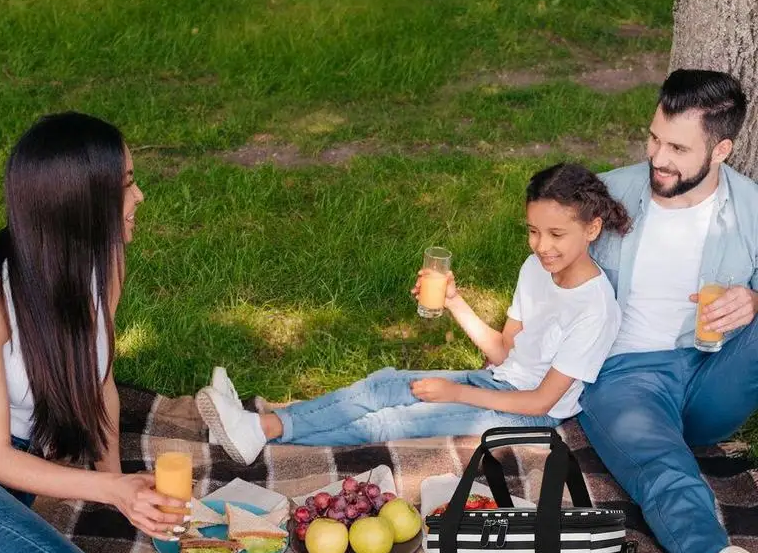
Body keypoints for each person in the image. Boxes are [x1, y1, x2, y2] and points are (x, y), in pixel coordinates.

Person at [0, 113, 190, 553]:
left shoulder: (100, 260)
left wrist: (119, 487)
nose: (139, 195)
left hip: (3, 480)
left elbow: (98, 381)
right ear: (79, 202)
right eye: (126, 184)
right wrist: (110, 489)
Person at [196, 162, 629, 466]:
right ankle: (257, 427)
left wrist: (455, 392)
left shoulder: (595, 308)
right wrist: (455, 301)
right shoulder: (535, 267)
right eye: (533, 231)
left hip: (530, 415)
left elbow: (540, 401)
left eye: (556, 234)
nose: (541, 245)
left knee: (393, 419)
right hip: (498, 381)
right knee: (384, 383)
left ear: (592, 229)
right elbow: (503, 351)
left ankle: (260, 430)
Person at [578, 69, 758, 553]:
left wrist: (753, 301)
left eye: (679, 148)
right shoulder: (605, 195)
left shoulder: (752, 210)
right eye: (654, 138)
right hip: (626, 376)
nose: (659, 157)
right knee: (664, 471)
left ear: (722, 149)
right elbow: (544, 286)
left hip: (712, 374)